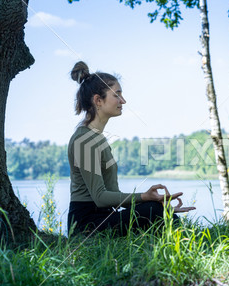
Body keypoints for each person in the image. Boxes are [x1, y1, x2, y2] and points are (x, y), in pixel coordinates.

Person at [67, 61, 195, 236]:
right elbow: (100, 197)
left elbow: (113, 195)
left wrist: (156, 201)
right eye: (117, 95)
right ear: (98, 100)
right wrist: (145, 198)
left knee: (155, 208)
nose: (123, 101)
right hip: (86, 225)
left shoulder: (98, 138)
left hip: (104, 217)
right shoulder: (84, 139)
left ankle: (184, 240)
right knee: (152, 209)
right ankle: (188, 242)